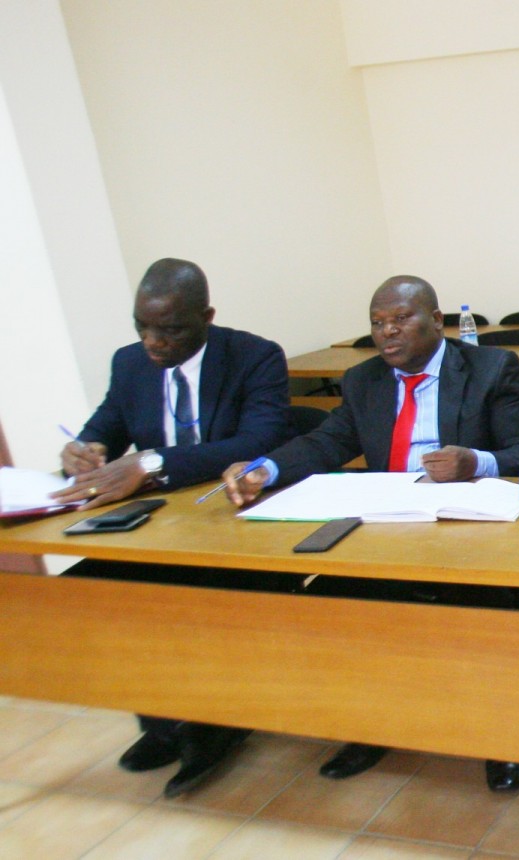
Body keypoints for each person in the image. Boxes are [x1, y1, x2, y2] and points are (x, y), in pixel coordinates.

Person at [221, 275, 519, 790]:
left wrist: (475, 461)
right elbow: (326, 442)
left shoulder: (490, 368)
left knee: (481, 619)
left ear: (435, 320)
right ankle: (371, 725)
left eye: (400, 319)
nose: (387, 332)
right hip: (386, 526)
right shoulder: (363, 379)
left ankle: (500, 737)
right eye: (377, 323)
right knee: (335, 604)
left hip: (466, 529)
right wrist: (266, 468)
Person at [53, 257, 297, 799]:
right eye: (142, 326)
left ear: (206, 317)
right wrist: (85, 449)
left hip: (234, 517)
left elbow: (260, 440)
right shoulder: (130, 362)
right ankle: (163, 722)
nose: (153, 342)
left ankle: (212, 725)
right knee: (101, 595)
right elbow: (107, 425)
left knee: (192, 602)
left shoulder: (254, 356)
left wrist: (153, 462)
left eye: (170, 330)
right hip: (160, 523)